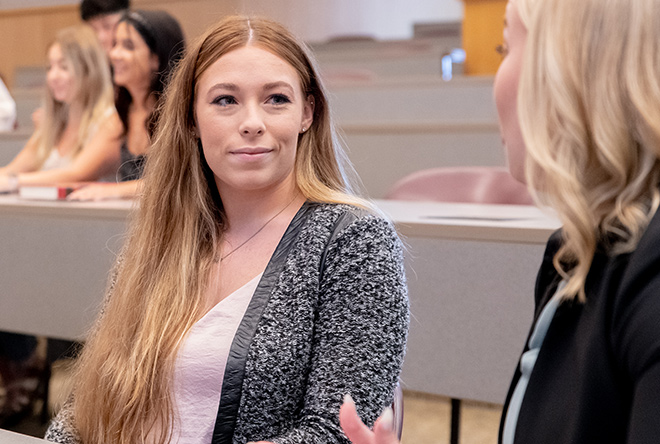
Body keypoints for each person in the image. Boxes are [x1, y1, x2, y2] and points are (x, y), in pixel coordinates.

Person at [45, 15, 409, 444]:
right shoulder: (165, 234)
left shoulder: (355, 242)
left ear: (306, 113)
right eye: (225, 101)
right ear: (191, 120)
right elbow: (87, 402)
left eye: (276, 99)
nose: (252, 121)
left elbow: (336, 431)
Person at [341, 0, 660, 443]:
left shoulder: (647, 267)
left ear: (566, 68)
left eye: (505, 48)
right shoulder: (578, 250)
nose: (496, 77)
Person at [67, 9, 185, 201]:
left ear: (156, 59)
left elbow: (176, 181)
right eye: (115, 44)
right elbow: (77, 172)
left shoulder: (181, 115)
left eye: (128, 46)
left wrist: (113, 191)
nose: (114, 54)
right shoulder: (121, 116)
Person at [0, 25, 121, 192]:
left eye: (63, 67)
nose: (53, 76)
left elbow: (75, 175)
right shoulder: (52, 125)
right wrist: (9, 178)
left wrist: (14, 182)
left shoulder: (111, 123)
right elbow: (12, 170)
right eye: (50, 67)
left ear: (88, 71)